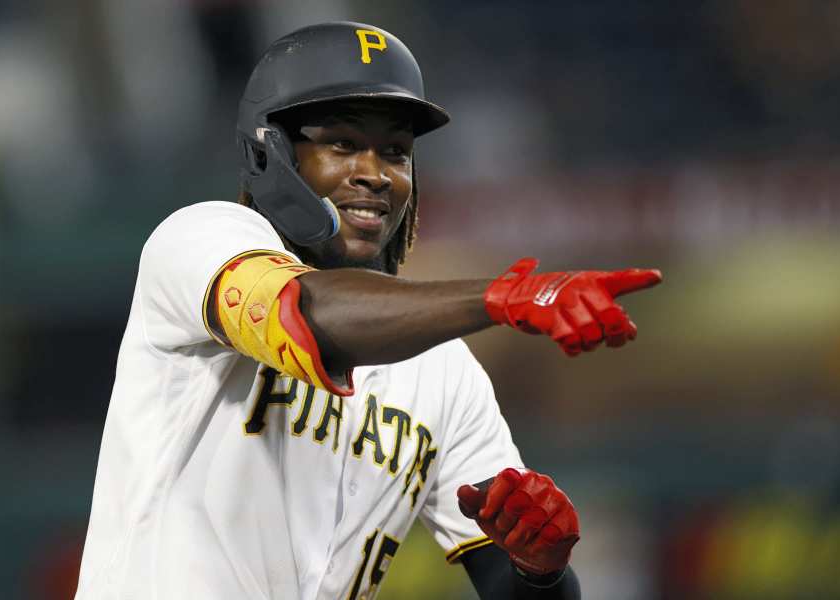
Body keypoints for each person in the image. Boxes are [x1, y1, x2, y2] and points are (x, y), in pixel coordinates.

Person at [74, 22, 661, 600]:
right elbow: (309, 313)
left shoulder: (444, 372)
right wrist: (500, 298)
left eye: (396, 152)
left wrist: (541, 570)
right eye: (343, 144)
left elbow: (504, 581)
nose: (375, 174)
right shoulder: (200, 240)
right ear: (270, 153)